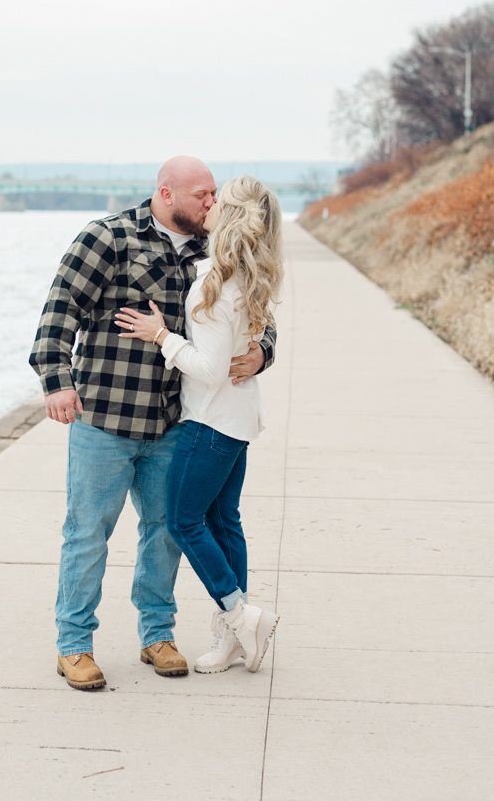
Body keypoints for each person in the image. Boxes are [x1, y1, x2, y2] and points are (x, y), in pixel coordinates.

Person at [29, 158, 277, 690]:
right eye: (202, 196)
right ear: (166, 194)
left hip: (173, 423)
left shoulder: (215, 249)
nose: (212, 204)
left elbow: (257, 313)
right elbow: (59, 309)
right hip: (104, 418)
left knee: (164, 534)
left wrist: (263, 353)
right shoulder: (108, 237)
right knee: (87, 535)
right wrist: (56, 380)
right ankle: (74, 645)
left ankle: (157, 635)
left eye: (215, 196)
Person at [115, 175, 283, 675]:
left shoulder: (214, 283)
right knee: (223, 521)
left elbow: (208, 368)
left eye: (217, 200)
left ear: (228, 217)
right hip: (238, 418)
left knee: (182, 520)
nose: (207, 205)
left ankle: (238, 615)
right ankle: (235, 635)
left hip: (209, 422)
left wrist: (161, 335)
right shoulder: (249, 276)